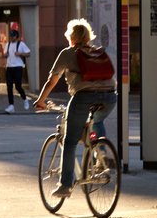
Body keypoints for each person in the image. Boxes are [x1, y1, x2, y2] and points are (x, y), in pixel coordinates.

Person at [34, 18, 117, 198]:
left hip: (84, 97)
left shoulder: (68, 53)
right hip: (110, 97)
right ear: (88, 38)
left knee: (70, 142)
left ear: (71, 38)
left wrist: (41, 100)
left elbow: (52, 80)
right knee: (97, 120)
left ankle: (65, 185)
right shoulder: (98, 52)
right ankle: (100, 153)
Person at [3, 29, 31, 113]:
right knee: (9, 87)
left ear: (16, 36)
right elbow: (5, 54)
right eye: (10, 36)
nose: (11, 38)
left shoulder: (21, 44)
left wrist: (20, 54)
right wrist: (5, 55)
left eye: (13, 36)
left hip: (18, 67)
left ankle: (25, 99)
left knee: (18, 86)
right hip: (9, 67)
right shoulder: (7, 44)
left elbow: (28, 53)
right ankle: (11, 105)